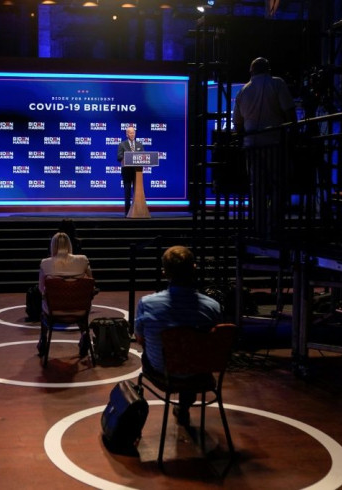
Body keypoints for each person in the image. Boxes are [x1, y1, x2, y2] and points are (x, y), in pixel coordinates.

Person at [134, 245, 222, 426]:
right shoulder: (213, 307)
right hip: (200, 372)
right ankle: (184, 407)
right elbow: (215, 343)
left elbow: (140, 338)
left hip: (162, 370)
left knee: (171, 356)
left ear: (165, 272)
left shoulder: (147, 304)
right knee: (189, 356)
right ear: (194, 269)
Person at [232, 57, 297, 238]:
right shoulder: (277, 84)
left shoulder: (243, 91)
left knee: (257, 187)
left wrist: (243, 137)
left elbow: (237, 123)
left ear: (251, 71)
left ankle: (259, 227)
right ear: (268, 70)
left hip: (252, 146)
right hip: (274, 143)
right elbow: (290, 113)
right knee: (278, 185)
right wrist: (293, 135)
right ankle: (274, 226)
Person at [37, 231, 93, 357]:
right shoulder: (83, 260)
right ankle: (85, 334)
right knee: (80, 301)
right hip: (80, 310)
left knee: (43, 305)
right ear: (69, 245)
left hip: (54, 310)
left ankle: (43, 340)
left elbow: (41, 289)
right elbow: (91, 284)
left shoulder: (45, 263)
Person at [116, 126, 144, 216]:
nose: (132, 134)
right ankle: (127, 213)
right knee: (127, 193)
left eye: (133, 133)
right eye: (130, 133)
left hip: (137, 172)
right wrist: (127, 156)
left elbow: (144, 156)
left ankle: (138, 211)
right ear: (127, 134)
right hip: (127, 172)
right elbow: (119, 157)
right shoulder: (122, 144)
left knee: (138, 193)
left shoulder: (139, 145)